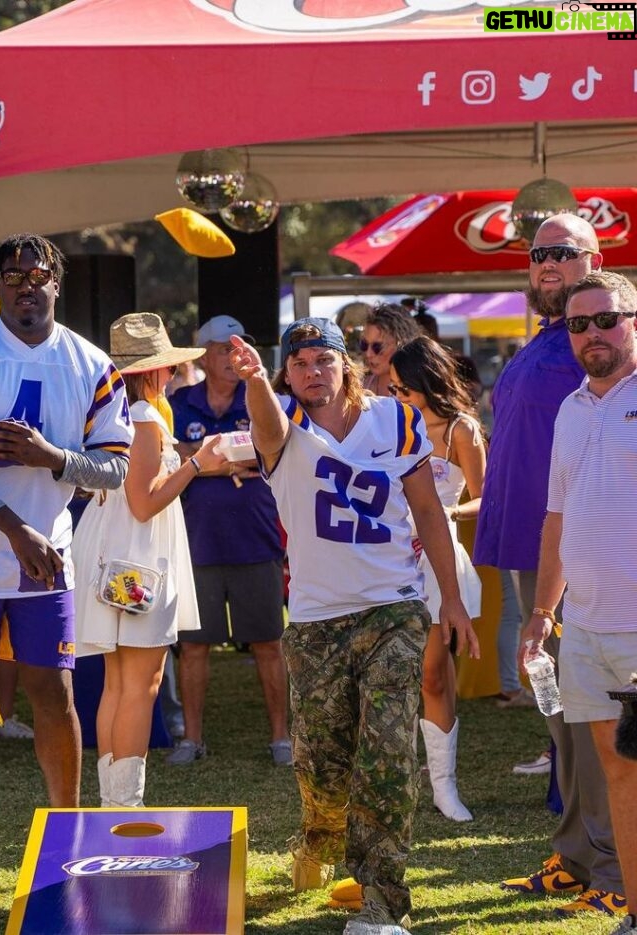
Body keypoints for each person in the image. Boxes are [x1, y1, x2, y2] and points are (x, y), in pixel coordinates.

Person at [229, 317, 478, 935]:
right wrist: (256, 381)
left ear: (348, 364)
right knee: (323, 765)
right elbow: (263, 424)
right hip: (315, 619)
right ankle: (319, 833)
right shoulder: (283, 428)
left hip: (392, 608)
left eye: (323, 360)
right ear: (287, 374)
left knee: (389, 754)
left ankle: (382, 903)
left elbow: (427, 509)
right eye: (299, 364)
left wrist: (451, 600)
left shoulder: (395, 420)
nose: (312, 374)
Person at [0, 233, 133, 900]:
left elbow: (116, 467)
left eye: (37, 273)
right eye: (11, 273)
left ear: (56, 283)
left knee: (54, 694)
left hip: (48, 555)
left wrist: (52, 457)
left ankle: (68, 840)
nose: (24, 284)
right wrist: (13, 529)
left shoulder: (92, 364)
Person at [475, 215, 624, 912]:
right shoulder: (552, 343)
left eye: (563, 253)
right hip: (539, 556)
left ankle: (605, 863)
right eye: (538, 254)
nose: (546, 264)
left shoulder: (600, 344)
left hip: (592, 570)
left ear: (596, 260)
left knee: (593, 726)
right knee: (562, 717)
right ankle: (576, 853)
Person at [517, 270, 637, 933]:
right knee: (617, 774)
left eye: (606, 318)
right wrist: (541, 614)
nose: (591, 333)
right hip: (585, 628)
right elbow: (556, 522)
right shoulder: (570, 407)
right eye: (576, 323)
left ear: (634, 319)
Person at [72, 312, 224, 806]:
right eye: (170, 367)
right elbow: (144, 501)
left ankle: (113, 802)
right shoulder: (142, 417)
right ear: (155, 371)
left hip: (115, 550)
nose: (176, 375)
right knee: (140, 683)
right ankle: (124, 805)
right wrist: (199, 464)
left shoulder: (109, 413)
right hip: (135, 556)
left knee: (120, 684)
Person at [168, 314, 290, 766]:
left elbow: (271, 450)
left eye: (239, 347)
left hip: (255, 537)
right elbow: (163, 453)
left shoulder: (262, 397)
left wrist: (198, 459)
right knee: (194, 646)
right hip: (194, 540)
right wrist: (222, 459)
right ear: (203, 354)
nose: (231, 355)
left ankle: (281, 738)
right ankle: (192, 739)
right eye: (222, 347)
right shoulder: (178, 400)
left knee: (267, 642)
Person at [390, 336, 484, 821]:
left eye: (404, 388)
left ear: (428, 381)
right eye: (393, 388)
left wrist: (447, 510)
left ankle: (445, 786)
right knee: (388, 678)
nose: (397, 395)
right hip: (385, 556)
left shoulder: (461, 429)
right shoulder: (389, 422)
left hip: (437, 557)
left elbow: (485, 498)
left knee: (431, 673)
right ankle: (395, 782)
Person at [359, 303, 420, 396]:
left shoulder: (418, 391)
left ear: (401, 343)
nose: (368, 354)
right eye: (364, 345)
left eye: (377, 347)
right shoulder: (358, 388)